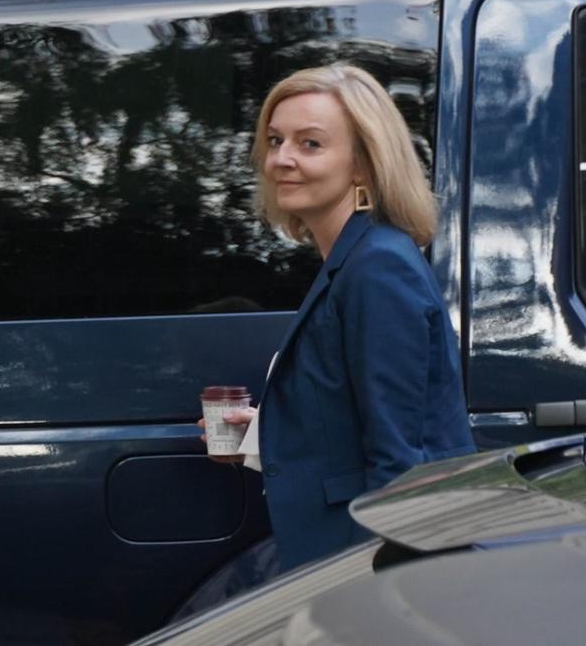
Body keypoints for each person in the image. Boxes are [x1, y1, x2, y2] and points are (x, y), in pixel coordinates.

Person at [201, 63, 475, 572]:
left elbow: (400, 458)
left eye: (310, 144)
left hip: (377, 562)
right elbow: (351, 424)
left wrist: (376, 592)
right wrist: (261, 440)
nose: (281, 159)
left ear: (363, 165)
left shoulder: (378, 267)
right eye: (275, 140)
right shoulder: (353, 260)